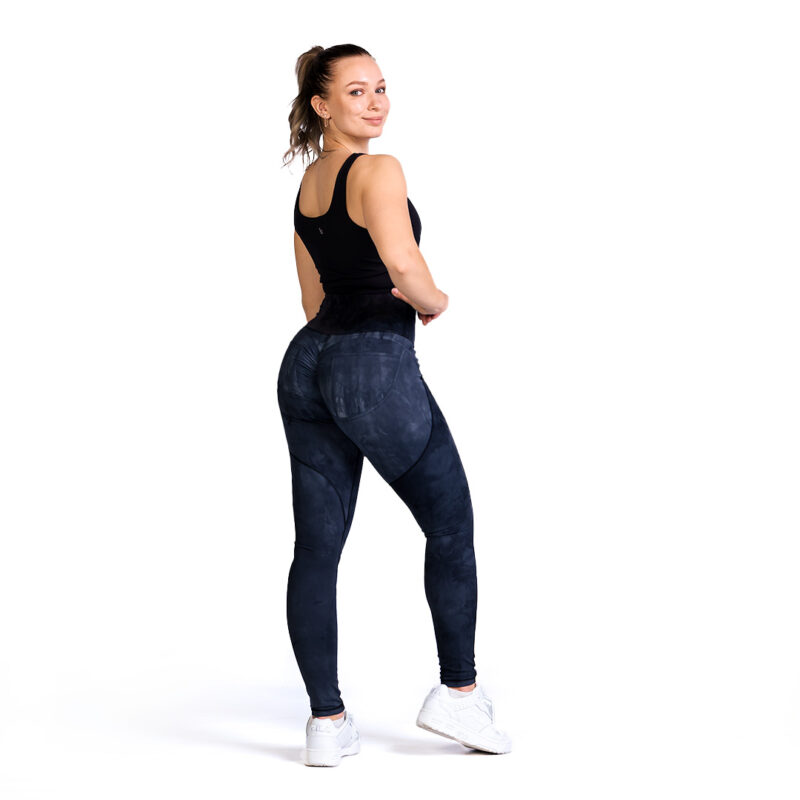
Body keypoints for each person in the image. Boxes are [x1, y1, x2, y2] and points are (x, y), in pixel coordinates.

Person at [278, 44, 512, 767]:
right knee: (451, 523)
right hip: (370, 365)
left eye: (380, 87)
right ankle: (460, 693)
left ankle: (326, 723)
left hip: (306, 364)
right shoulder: (378, 170)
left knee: (316, 547)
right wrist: (434, 300)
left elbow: (312, 299)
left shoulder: (309, 184)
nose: (376, 101)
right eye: (356, 91)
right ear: (322, 105)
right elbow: (404, 264)